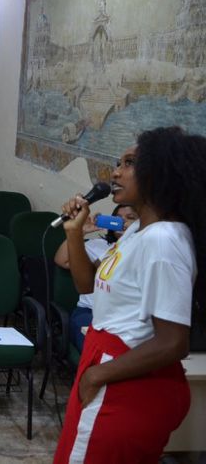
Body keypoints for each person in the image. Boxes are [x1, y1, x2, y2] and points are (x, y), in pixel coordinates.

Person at [54, 126, 206, 463]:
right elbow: (87, 286)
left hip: (127, 378)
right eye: (117, 162)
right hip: (110, 363)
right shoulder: (139, 229)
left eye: (129, 163)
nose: (115, 173)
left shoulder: (163, 240)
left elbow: (173, 342)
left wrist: (98, 374)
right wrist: (74, 233)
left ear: (160, 173)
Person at [54, 204, 138, 352]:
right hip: (90, 312)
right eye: (117, 219)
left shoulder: (143, 248)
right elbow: (61, 260)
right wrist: (79, 233)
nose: (123, 222)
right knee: (97, 350)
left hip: (124, 317)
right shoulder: (97, 245)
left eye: (130, 218)